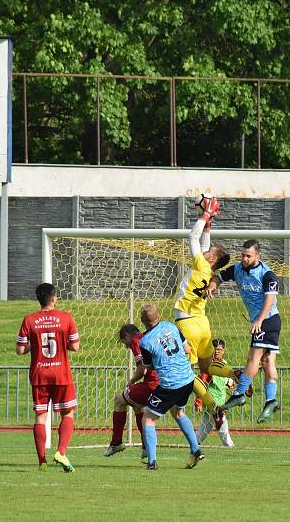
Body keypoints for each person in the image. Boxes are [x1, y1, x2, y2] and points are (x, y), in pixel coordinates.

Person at [173, 194, 235, 420]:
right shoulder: (210, 272)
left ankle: (211, 405)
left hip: (187, 323)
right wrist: (209, 224)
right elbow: (204, 243)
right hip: (202, 323)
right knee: (208, 368)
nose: (204, 252)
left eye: (208, 253)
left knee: (188, 374)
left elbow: (193, 237)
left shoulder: (201, 264)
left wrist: (206, 214)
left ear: (210, 260)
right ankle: (233, 373)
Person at [208, 239, 282, 423]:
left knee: (253, 358)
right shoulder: (237, 269)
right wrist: (213, 284)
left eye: (248, 256)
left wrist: (259, 320)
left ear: (258, 256)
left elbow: (270, 300)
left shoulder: (267, 275)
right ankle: (271, 401)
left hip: (267, 320)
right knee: (267, 361)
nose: (244, 258)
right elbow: (220, 276)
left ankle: (239, 394)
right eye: (242, 255)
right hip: (263, 321)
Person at [16, 283, 80, 472]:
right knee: (67, 413)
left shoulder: (29, 320)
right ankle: (61, 451)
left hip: (39, 374)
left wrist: (34, 346)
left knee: (41, 417)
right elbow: (75, 346)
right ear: (54, 299)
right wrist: (61, 344)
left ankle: (42, 461)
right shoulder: (66, 318)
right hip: (61, 373)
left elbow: (20, 350)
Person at [138, 304, 204, 470]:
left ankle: (152, 462)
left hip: (170, 384)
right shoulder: (170, 326)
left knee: (148, 418)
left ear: (143, 322)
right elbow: (187, 349)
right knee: (178, 412)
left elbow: (149, 367)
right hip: (188, 379)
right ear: (158, 316)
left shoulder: (145, 341)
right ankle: (195, 450)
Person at [103, 323, 160, 460]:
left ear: (128, 336)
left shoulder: (136, 340)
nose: (127, 346)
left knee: (118, 400)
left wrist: (131, 381)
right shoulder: (149, 336)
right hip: (164, 384)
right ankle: (146, 447)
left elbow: (142, 369)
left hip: (152, 385)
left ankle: (116, 442)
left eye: (125, 343)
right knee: (136, 404)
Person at [196, 339, 235, 447]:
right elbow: (201, 382)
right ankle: (229, 446)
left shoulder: (224, 364)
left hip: (220, 399)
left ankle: (194, 444)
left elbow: (221, 384)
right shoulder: (209, 365)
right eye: (215, 349)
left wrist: (229, 384)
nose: (217, 351)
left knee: (206, 427)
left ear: (223, 350)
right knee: (222, 424)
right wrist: (198, 401)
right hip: (212, 400)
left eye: (219, 349)